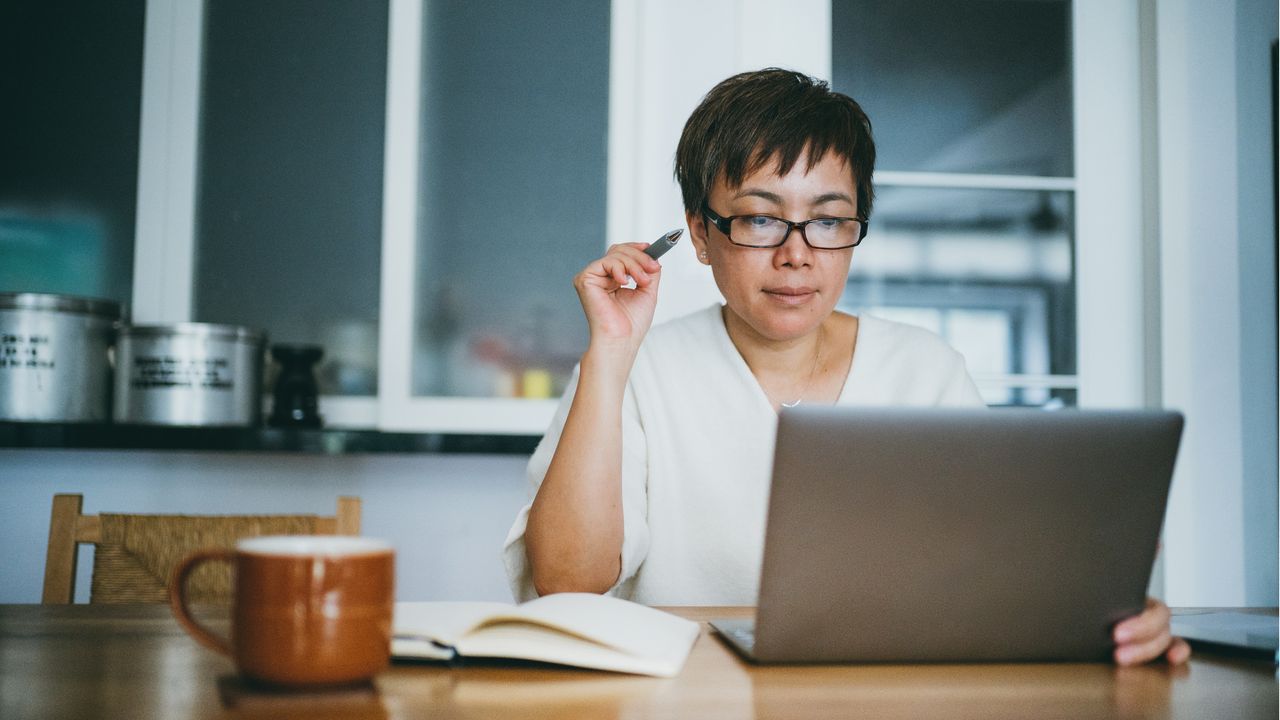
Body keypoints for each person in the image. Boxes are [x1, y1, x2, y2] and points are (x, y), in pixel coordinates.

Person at [503, 68, 1190, 667]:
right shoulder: (636, 368)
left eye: (829, 221)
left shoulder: (926, 370)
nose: (798, 254)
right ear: (703, 235)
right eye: (760, 220)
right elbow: (567, 581)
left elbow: (995, 580)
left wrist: (1109, 619)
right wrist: (611, 353)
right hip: (688, 698)